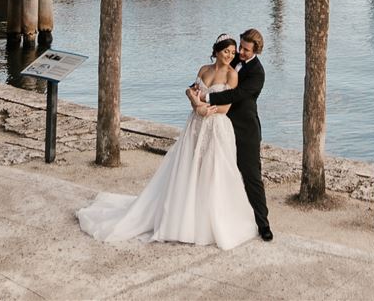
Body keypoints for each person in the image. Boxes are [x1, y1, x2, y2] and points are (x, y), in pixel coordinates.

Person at [76, 34, 260, 249]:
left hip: (216, 127)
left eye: (232, 52)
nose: (230, 55)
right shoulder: (204, 69)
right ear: (216, 51)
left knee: (214, 171)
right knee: (188, 168)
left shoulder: (231, 76)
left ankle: (210, 221)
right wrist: (195, 103)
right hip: (195, 125)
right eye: (226, 51)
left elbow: (226, 108)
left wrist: (204, 109)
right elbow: (192, 90)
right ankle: (182, 216)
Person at [201, 28, 271, 240]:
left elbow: (237, 94)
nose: (240, 52)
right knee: (214, 173)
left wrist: (208, 100)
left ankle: (263, 224)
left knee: (251, 177)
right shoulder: (231, 60)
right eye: (240, 47)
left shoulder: (258, 73)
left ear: (256, 50)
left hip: (244, 130)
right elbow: (210, 80)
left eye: (246, 49)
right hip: (220, 126)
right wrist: (196, 93)